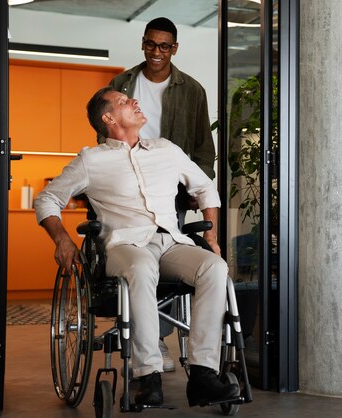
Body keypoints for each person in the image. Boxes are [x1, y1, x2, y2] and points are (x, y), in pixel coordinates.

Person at [34, 86, 239, 407]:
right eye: (123, 101)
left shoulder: (166, 150)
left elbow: (204, 187)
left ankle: (203, 375)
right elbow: (47, 198)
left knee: (214, 267)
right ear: (109, 117)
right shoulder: (91, 159)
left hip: (170, 241)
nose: (134, 102)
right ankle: (148, 376)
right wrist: (61, 238)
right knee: (142, 266)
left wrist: (211, 238)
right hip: (122, 245)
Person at [104, 16, 217, 371]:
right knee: (142, 265)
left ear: (175, 48)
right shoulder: (122, 82)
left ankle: (161, 340)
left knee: (167, 269)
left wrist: (195, 191)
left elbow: (203, 148)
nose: (157, 52)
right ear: (143, 43)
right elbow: (105, 135)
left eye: (164, 46)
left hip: (171, 193)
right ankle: (149, 344)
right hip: (127, 190)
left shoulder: (192, 90)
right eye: (151, 44)